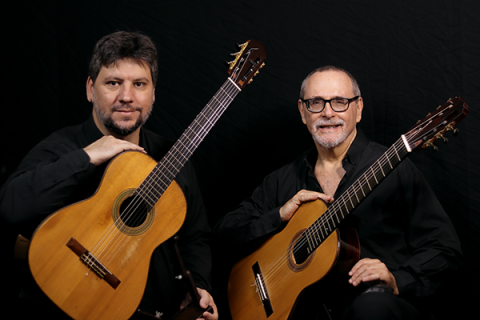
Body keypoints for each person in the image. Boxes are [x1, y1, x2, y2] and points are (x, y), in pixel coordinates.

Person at [213, 65, 462, 319]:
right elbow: (224, 233)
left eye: (340, 102)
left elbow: (445, 249)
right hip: (304, 311)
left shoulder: (395, 170)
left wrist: (397, 279)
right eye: (316, 103)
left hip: (375, 310)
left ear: (359, 108)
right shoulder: (282, 180)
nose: (328, 113)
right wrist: (278, 216)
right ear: (302, 111)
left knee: (370, 309)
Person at [0, 31, 218, 320]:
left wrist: (198, 287)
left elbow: (195, 238)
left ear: (153, 92)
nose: (126, 97)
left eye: (139, 84)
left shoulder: (172, 159)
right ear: (91, 89)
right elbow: (12, 207)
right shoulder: (63, 147)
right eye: (113, 83)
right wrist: (86, 157)